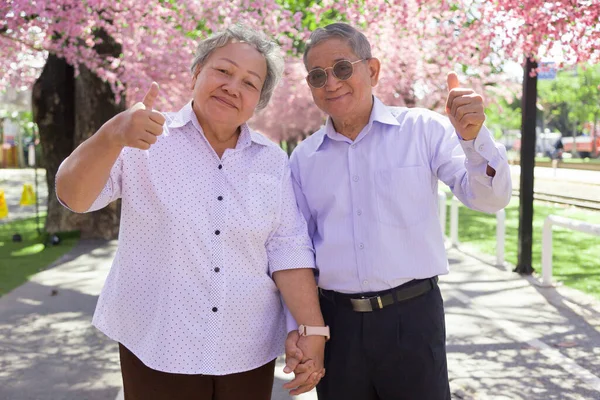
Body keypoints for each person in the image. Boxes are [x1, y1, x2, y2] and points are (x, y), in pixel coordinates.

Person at [55, 25, 327, 400]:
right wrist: (111, 135)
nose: (233, 87)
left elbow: (288, 248)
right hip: (157, 343)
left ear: (258, 101)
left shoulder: (272, 161)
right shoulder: (143, 136)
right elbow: (73, 197)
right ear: (197, 72)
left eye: (250, 83)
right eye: (224, 71)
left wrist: (313, 332)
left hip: (246, 347)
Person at [284, 23, 512, 400]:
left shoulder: (423, 129)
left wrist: (473, 140)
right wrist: (305, 331)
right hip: (337, 325)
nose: (331, 83)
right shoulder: (303, 159)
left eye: (343, 68)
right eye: (317, 75)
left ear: (372, 70)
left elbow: (489, 198)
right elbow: (296, 251)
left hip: (412, 320)